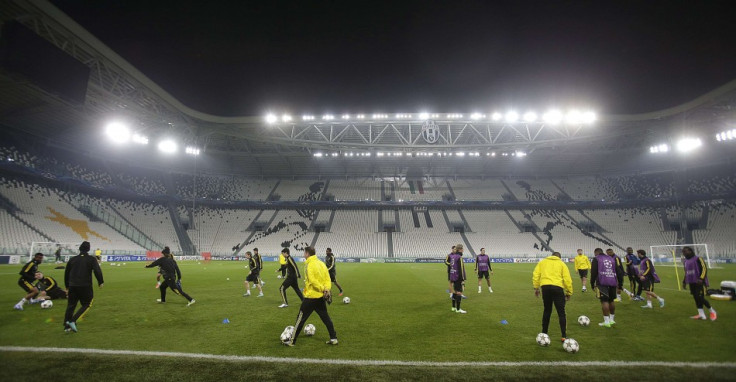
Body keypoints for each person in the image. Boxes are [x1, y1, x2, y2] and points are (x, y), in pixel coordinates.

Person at [282, 246, 338, 346]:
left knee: (300, 319)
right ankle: (333, 338)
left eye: (304, 253)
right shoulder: (321, 263)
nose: (304, 254)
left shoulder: (309, 265)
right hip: (320, 297)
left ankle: (292, 341)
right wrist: (326, 289)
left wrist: (322, 289)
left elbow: (312, 281)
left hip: (311, 297)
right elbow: (327, 279)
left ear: (307, 253)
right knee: (326, 318)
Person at [532, 251, 573, 343]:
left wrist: (536, 288)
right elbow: (567, 279)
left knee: (547, 310)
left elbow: (536, 275)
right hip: (557, 288)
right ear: (559, 257)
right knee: (561, 312)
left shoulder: (543, 262)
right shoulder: (562, 264)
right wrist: (569, 292)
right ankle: (563, 336)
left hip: (545, 287)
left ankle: (544, 332)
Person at [64, 241, 104, 332]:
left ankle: (66, 327)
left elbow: (67, 273)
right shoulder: (91, 259)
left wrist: (67, 286)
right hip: (85, 285)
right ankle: (73, 321)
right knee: (87, 303)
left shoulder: (72, 259)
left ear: (80, 249)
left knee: (71, 305)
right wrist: (100, 281)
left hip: (72, 285)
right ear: (89, 249)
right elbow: (97, 270)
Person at [590, 248, 624, 327]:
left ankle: (606, 321)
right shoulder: (611, 258)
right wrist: (620, 283)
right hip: (612, 281)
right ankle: (612, 320)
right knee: (611, 300)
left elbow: (593, 272)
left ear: (596, 253)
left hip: (602, 282)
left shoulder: (596, 259)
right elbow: (618, 271)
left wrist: (592, 283)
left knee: (604, 301)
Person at [682, 246, 717, 321]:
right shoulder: (685, 261)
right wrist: (684, 281)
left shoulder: (698, 258)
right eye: (683, 252)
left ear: (690, 251)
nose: (684, 253)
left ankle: (712, 311)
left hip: (699, 282)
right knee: (696, 298)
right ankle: (701, 315)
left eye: (685, 251)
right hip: (692, 282)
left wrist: (701, 278)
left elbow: (704, 268)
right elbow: (686, 272)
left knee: (700, 297)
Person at [448, 244, 467, 314]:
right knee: (459, 292)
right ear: (460, 249)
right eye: (463, 249)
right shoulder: (459, 257)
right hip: (458, 276)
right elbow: (461, 269)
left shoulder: (453, 256)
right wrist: (462, 280)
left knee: (455, 292)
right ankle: (458, 309)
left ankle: (453, 307)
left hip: (453, 275)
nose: (463, 250)